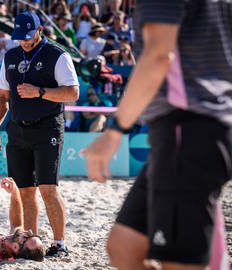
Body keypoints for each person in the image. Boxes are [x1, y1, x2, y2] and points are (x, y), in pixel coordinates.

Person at [84, 1, 232, 270]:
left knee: (178, 262)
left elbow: (159, 56)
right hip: (193, 129)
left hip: (190, 128)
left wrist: (115, 131)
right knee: (124, 246)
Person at [0, 11, 80, 257]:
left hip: (47, 127)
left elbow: (72, 93)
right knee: (23, 190)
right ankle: (31, 240)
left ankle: (59, 243)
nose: (23, 41)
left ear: (40, 31)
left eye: (28, 36)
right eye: (19, 37)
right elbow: (1, 97)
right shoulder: (11, 56)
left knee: (48, 188)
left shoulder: (58, 55)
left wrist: (39, 91)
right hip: (17, 129)